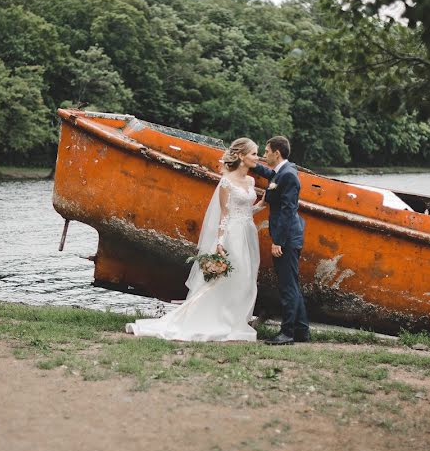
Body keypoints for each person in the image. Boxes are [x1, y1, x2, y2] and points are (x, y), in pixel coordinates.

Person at [125, 138, 263, 342]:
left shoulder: (251, 181)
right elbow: (225, 214)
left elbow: (244, 210)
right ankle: (211, 320)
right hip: (232, 234)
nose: (257, 157)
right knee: (225, 279)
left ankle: (235, 320)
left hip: (248, 233)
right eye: (253, 153)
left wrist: (260, 207)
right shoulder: (226, 182)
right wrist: (219, 242)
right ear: (242, 156)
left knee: (245, 278)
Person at [251, 136, 310, 345]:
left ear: (277, 153)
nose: (263, 155)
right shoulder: (282, 172)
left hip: (287, 238)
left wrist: (278, 241)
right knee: (292, 284)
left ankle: (287, 333)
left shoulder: (289, 176)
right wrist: (253, 165)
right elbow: (271, 176)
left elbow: (287, 211)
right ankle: (302, 331)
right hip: (288, 236)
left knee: (287, 287)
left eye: (266, 152)